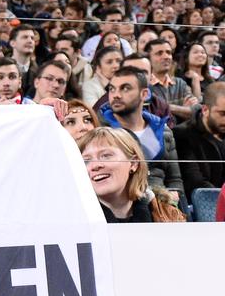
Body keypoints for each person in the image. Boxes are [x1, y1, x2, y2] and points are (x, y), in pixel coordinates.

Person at [99, 67, 184, 201]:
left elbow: (175, 180)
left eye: (125, 88)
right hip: (121, 205)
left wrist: (173, 198)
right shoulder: (101, 131)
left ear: (144, 94)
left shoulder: (164, 131)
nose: (116, 95)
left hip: (161, 207)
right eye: (112, 89)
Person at [78, 127, 186, 223]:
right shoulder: (70, 219)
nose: (94, 166)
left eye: (106, 156)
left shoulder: (169, 215)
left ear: (134, 163)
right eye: (86, 160)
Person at [174, 80, 225, 199]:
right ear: (205, 110)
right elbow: (195, 182)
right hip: (203, 205)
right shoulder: (183, 135)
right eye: (222, 113)